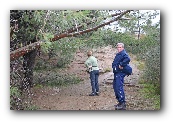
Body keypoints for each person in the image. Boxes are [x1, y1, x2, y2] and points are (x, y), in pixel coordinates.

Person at [112, 43, 132, 110]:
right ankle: (120, 102)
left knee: (119, 87)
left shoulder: (123, 53)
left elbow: (128, 59)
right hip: (117, 73)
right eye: (118, 47)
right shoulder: (119, 54)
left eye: (120, 47)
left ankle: (122, 104)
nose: (119, 48)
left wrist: (121, 64)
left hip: (120, 73)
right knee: (115, 87)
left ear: (123, 48)